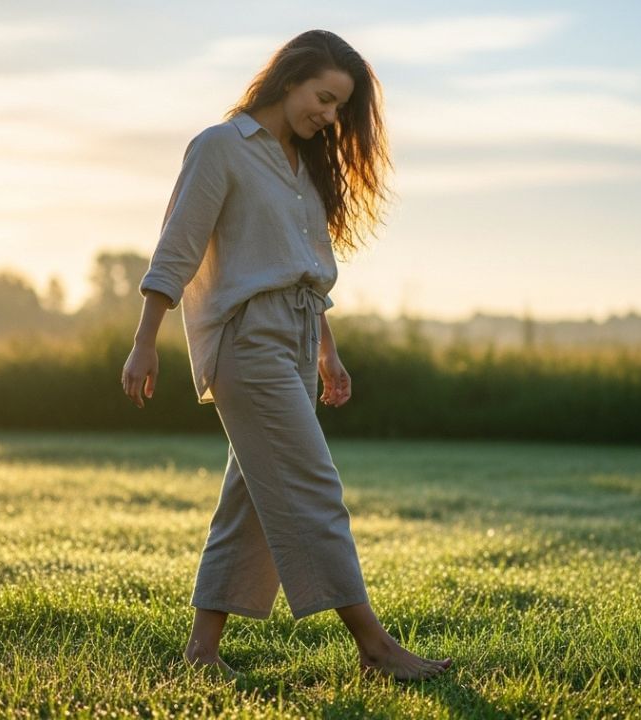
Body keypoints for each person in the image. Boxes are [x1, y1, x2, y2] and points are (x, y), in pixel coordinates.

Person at [119, 29, 452, 681]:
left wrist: (328, 352)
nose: (329, 116)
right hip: (246, 339)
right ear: (291, 76)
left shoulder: (303, 166)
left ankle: (201, 652)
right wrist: (143, 341)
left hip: (298, 339)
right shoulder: (220, 148)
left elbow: (304, 270)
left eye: (339, 109)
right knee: (311, 488)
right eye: (324, 98)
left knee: (252, 497)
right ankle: (376, 649)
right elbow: (178, 248)